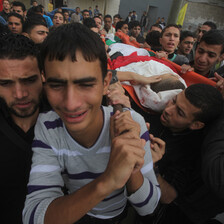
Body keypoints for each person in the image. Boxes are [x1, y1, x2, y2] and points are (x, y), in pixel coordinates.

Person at [23, 22, 160, 224]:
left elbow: (149, 206)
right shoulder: (48, 125)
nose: (70, 103)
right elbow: (34, 215)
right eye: (56, 85)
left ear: (106, 83)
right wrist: (107, 180)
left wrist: (130, 164)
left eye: (86, 85)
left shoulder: (132, 123)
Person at [136, 84, 224, 224]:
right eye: (174, 100)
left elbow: (169, 196)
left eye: (180, 112)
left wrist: (151, 165)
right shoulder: (156, 111)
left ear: (196, 125)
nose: (168, 110)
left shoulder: (192, 154)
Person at [0, 32, 48, 224]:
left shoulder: (67, 118)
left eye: (28, 80)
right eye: (5, 83)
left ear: (43, 75)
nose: (19, 94)